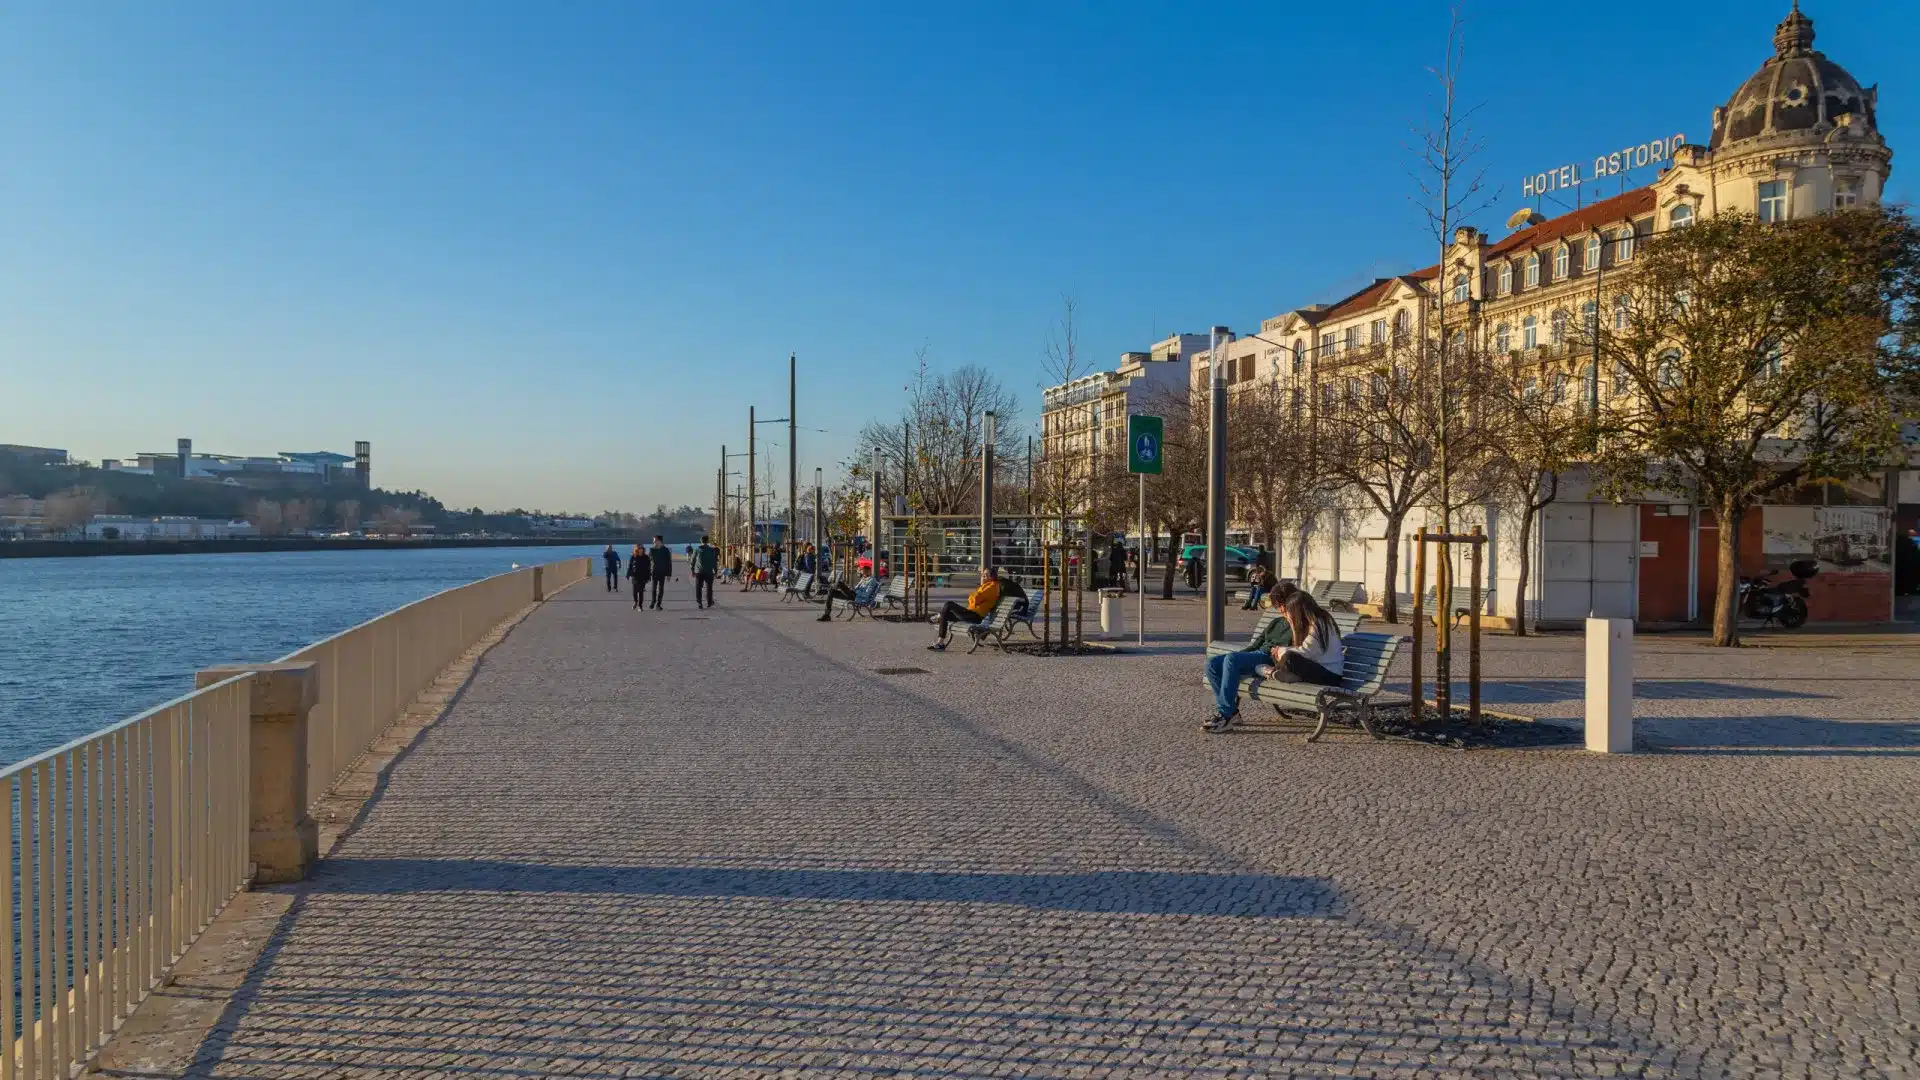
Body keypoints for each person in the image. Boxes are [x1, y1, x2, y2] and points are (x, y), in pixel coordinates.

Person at [1203, 583, 1298, 730]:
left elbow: (1297, 650)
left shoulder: (1298, 624)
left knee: (1232, 660)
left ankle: (1225, 714)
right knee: (1212, 664)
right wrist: (1240, 656)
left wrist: (1236, 659)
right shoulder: (1277, 622)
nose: (1279, 610)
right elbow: (1257, 643)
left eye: (1279, 606)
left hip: (1269, 660)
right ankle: (1233, 711)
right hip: (1257, 655)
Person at [927, 566, 1003, 651]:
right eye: (983, 575)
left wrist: (973, 597)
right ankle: (940, 643)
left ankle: (939, 616)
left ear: (992, 577)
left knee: (949, 604)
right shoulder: (986, 586)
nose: (983, 576)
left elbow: (975, 599)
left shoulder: (992, 587)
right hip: (971, 613)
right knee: (945, 616)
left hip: (976, 616)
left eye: (986, 575)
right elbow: (974, 599)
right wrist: (973, 597)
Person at [691, 535, 719, 608]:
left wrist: (692, 570)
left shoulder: (696, 549)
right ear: (708, 541)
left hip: (699, 571)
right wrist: (715, 571)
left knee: (698, 587)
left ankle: (699, 602)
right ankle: (709, 602)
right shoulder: (711, 550)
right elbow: (714, 561)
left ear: (701, 541)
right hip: (709, 572)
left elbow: (692, 560)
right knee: (709, 588)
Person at [647, 535, 673, 610]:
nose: (653, 542)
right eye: (653, 541)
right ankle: (653, 602)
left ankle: (658, 604)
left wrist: (669, 574)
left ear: (659, 541)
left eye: (654, 541)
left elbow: (669, 563)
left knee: (661, 589)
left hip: (663, 572)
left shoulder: (665, 550)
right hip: (654, 571)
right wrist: (648, 573)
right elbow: (648, 562)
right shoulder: (652, 550)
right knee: (654, 588)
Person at [625, 545, 650, 610]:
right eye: (639, 549)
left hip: (643, 577)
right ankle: (635, 601)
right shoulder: (633, 556)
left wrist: (648, 577)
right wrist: (628, 574)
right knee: (634, 592)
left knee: (641, 592)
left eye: (642, 549)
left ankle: (640, 606)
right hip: (634, 576)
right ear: (637, 549)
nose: (641, 550)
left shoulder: (646, 557)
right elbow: (630, 566)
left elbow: (648, 568)